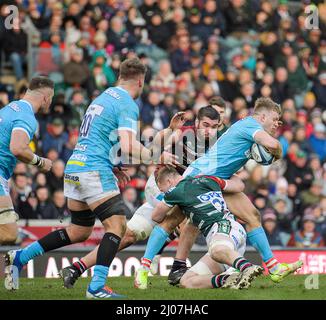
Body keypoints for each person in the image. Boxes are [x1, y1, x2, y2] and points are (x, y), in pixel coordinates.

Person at [4, 58, 174, 299]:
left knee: (78, 231)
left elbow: (97, 136)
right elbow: (127, 144)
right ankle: (96, 287)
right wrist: (152, 155)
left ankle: (21, 256)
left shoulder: (103, 97)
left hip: (75, 167)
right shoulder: (127, 103)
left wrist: (113, 165)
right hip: (93, 170)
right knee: (117, 226)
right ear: (140, 81)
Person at [59, 99, 230, 289]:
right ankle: (175, 265)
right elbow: (156, 147)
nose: (209, 130)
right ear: (197, 122)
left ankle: (76, 267)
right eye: (206, 125)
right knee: (187, 217)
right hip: (159, 187)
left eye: (214, 126)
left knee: (128, 235)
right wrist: (169, 130)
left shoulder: (218, 145)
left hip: (176, 192)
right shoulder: (185, 132)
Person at [135, 97, 302, 288]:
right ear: (262, 117)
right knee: (172, 220)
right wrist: (279, 150)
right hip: (199, 176)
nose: (276, 124)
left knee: (252, 215)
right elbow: (273, 146)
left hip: (217, 180)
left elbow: (262, 152)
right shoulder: (251, 125)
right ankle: (144, 268)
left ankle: (274, 268)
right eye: (274, 119)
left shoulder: (250, 129)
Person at [135, 166, 263, 290]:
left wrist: (169, 203)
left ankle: (247, 267)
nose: (164, 193)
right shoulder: (208, 179)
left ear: (169, 181)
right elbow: (239, 185)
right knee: (187, 281)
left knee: (216, 250)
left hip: (223, 228)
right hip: (230, 238)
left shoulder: (176, 191)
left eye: (162, 190)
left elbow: (156, 216)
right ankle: (229, 279)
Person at [0, 77, 54, 245]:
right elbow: (17, 148)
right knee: (9, 233)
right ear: (45, 98)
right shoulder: (27, 116)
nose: (50, 103)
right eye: (50, 99)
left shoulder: (9, 108)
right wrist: (40, 162)